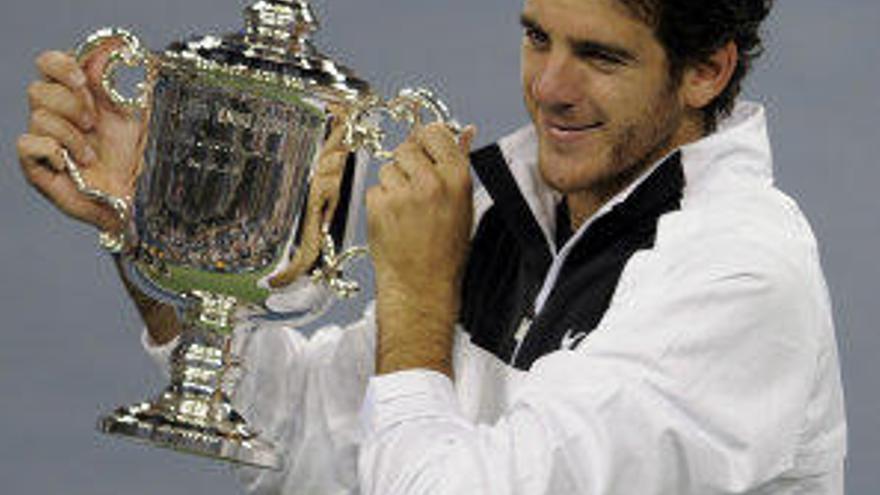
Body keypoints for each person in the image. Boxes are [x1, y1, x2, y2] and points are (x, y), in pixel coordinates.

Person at [17, 0, 846, 493]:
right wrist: (161, 219)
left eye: (598, 55)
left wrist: (417, 297)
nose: (550, 87)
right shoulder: (503, 200)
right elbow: (303, 438)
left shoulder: (742, 275)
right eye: (537, 35)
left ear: (706, 71)